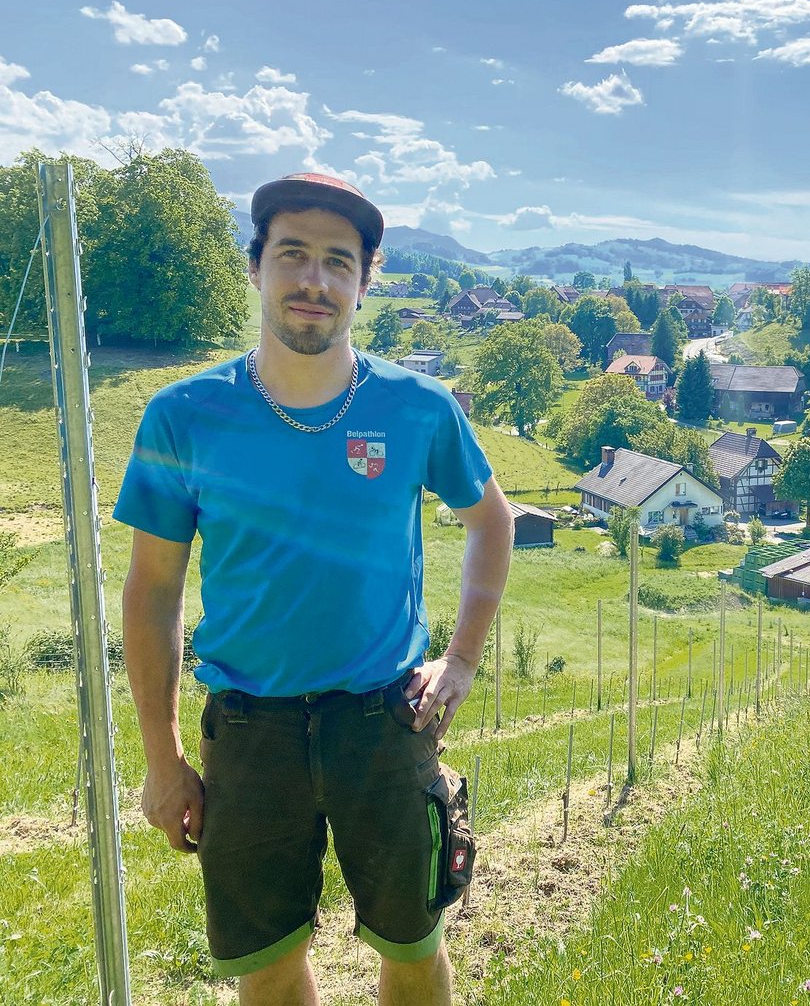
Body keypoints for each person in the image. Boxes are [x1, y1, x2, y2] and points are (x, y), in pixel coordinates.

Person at [115, 172, 514, 1005]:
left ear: (364, 284)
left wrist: (464, 660)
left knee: (411, 947)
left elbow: (492, 521)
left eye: (339, 262)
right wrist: (162, 760)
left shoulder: (421, 408)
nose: (313, 281)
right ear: (256, 265)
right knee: (266, 968)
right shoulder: (181, 416)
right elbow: (153, 589)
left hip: (385, 724)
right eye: (292, 254)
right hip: (249, 737)